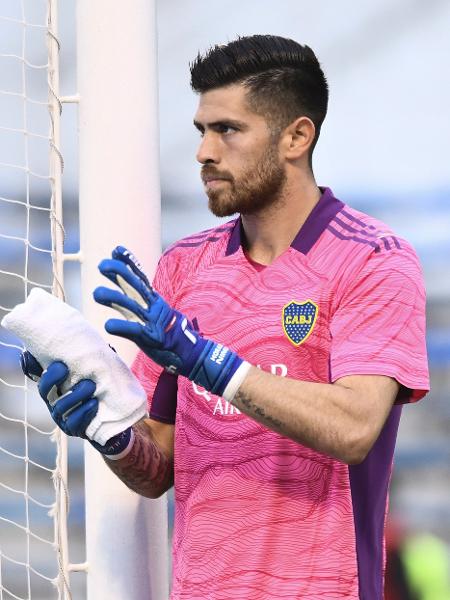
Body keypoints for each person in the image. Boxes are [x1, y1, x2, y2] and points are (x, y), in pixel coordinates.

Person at [22, 35, 429, 599]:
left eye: (227, 130)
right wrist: (108, 429)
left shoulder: (373, 259)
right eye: (201, 130)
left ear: (296, 136)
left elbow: (355, 427)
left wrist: (212, 365)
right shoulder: (184, 268)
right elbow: (159, 466)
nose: (203, 152)